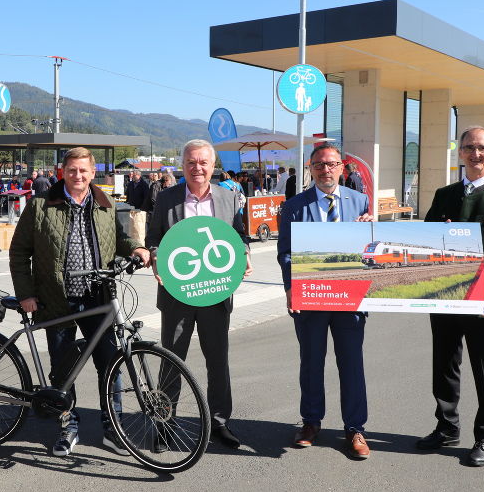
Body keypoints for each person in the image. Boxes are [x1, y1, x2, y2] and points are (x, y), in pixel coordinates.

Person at [9, 147, 151, 457]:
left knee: (110, 363)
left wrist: (137, 248)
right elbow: (19, 252)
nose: (78, 176)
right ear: (63, 171)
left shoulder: (104, 203)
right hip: (55, 298)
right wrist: (26, 294)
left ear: (92, 173)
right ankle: (68, 425)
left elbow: (119, 239)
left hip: (97, 296)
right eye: (72, 170)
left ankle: (113, 427)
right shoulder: (40, 206)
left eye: (83, 170)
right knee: (62, 369)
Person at [416, 126, 484, 467]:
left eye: (482, 148)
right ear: (459, 152)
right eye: (468, 148)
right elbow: (424, 241)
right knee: (445, 364)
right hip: (446, 297)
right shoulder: (444, 194)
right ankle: (447, 426)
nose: (475, 154)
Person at [146, 139, 252, 448]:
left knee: (218, 361)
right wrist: (155, 257)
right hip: (177, 293)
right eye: (191, 162)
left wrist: (243, 253)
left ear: (213, 165)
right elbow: (154, 238)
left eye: (203, 162)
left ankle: (220, 422)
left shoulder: (229, 198)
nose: (198, 168)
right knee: (171, 360)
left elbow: (239, 236)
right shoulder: (166, 199)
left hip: (215, 293)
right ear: (183, 166)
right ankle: (165, 424)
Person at [276, 143, 374, 459]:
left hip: (350, 299)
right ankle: (310, 422)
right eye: (318, 165)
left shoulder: (360, 202)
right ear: (311, 168)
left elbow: (372, 252)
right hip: (311, 298)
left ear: (341, 167)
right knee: (311, 362)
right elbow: (286, 252)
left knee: (352, 364)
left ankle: (355, 429)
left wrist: (370, 233)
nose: (325, 170)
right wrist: (292, 288)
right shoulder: (293, 206)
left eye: (331, 164)